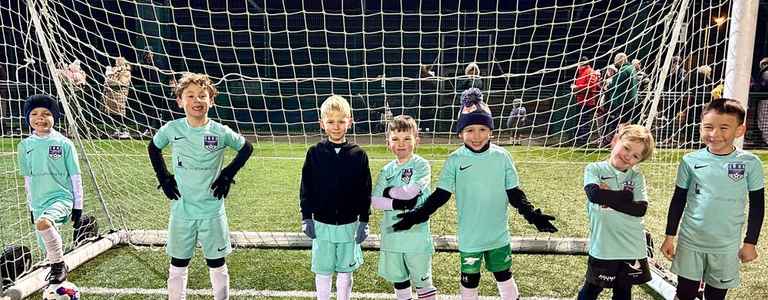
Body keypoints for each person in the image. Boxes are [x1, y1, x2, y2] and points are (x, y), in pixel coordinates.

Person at [392, 88, 558, 300]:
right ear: (460, 133)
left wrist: (532, 215)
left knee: (504, 276)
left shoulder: (502, 157)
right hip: (470, 237)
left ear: (491, 131)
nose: (476, 136)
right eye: (469, 130)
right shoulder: (455, 159)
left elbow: (514, 193)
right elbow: (441, 195)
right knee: (470, 281)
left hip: (498, 235)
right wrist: (417, 215)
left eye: (482, 129)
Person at [147, 73, 254, 300]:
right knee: (178, 262)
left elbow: (246, 148)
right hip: (182, 209)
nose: (197, 101)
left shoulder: (219, 131)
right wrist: (164, 177)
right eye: (191, 96)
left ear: (211, 100)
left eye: (203, 96)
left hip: (211, 210)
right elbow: (153, 148)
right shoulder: (172, 129)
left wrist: (227, 175)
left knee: (216, 262)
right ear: (180, 101)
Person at [661, 98, 764, 300]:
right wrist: (669, 236)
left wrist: (750, 242)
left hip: (726, 246)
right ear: (700, 127)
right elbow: (678, 200)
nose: (714, 134)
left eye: (724, 128)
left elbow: (758, 206)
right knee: (685, 293)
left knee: (716, 296)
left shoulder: (750, 163)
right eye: (708, 127)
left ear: (739, 130)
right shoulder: (690, 161)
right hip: (691, 241)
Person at [300, 95, 372, 300]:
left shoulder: (359, 155)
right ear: (322, 123)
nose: (336, 126)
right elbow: (306, 187)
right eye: (331, 121)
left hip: (350, 224)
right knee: (323, 270)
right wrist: (306, 217)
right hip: (322, 223)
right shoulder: (315, 152)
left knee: (345, 271)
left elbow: (365, 190)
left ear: (350, 121)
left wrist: (364, 221)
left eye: (341, 121)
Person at [577, 124, 656, 300]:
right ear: (615, 141)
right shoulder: (595, 168)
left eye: (635, 155)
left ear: (638, 161)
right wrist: (625, 197)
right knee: (591, 290)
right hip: (604, 246)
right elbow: (594, 194)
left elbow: (640, 209)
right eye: (626, 148)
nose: (628, 156)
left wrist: (608, 196)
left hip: (631, 246)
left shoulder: (636, 177)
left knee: (623, 293)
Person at [17, 94, 84, 284]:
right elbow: (28, 179)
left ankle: (58, 266)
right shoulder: (24, 146)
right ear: (28, 118)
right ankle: (57, 269)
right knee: (47, 245)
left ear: (54, 117)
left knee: (44, 224)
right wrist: (31, 207)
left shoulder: (64, 144)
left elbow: (75, 177)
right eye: (35, 114)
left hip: (61, 198)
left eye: (46, 113)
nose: (40, 118)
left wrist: (78, 205)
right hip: (39, 201)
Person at [371, 115, 437, 300]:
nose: (401, 144)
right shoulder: (386, 170)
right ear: (388, 142)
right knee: (399, 282)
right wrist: (398, 202)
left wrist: (389, 190)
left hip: (416, 237)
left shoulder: (421, 165)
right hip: (392, 238)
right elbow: (375, 201)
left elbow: (411, 192)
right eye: (395, 139)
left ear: (417, 140)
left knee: (423, 284)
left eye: (407, 138)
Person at [602, 53, 639, 147]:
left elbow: (616, 84)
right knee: (625, 123)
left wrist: (608, 86)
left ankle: (614, 142)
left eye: (616, 61)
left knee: (618, 123)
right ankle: (624, 142)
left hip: (624, 101)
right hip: (632, 100)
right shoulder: (632, 69)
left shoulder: (624, 70)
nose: (615, 63)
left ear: (620, 60)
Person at [137, 46, 173, 136]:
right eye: (146, 53)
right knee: (146, 110)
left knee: (157, 110)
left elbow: (167, 72)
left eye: (150, 53)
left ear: (153, 54)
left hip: (157, 90)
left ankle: (157, 129)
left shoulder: (158, 63)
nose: (148, 55)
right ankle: (146, 129)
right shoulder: (142, 64)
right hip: (146, 90)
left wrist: (171, 79)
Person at [572, 57, 601, 146]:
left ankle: (583, 141)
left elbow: (591, 86)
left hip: (587, 101)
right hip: (581, 100)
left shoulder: (590, 72)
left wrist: (577, 88)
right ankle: (580, 140)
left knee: (584, 121)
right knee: (581, 121)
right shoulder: (581, 72)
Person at [103, 56, 132, 139]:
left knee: (121, 113)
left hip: (120, 94)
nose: (116, 64)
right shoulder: (114, 70)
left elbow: (121, 83)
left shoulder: (126, 72)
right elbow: (106, 80)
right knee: (113, 113)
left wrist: (110, 81)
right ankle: (118, 129)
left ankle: (125, 130)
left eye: (118, 62)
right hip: (111, 95)